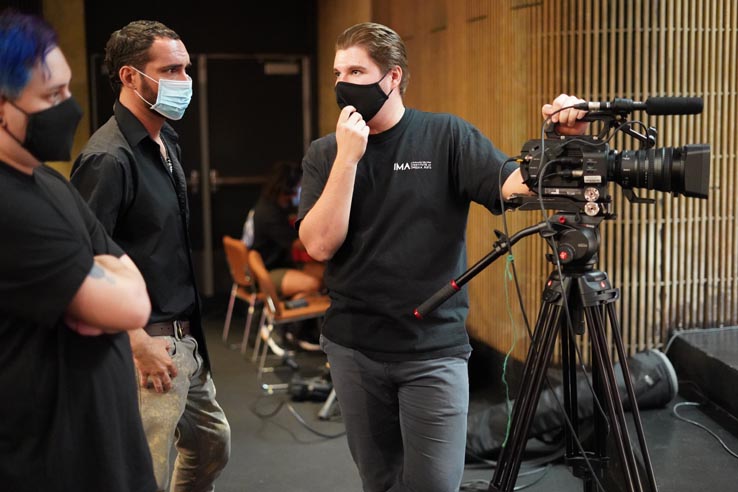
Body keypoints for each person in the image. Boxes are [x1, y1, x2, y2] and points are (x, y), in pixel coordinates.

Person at [297, 22, 587, 492]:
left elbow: (516, 187)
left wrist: (562, 142)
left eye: (355, 70)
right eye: (337, 72)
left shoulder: (445, 135)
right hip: (354, 349)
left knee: (435, 484)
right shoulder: (326, 153)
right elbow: (319, 245)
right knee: (381, 482)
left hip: (432, 352)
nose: (342, 84)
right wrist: (348, 159)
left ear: (392, 77)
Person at [70, 20, 230, 492]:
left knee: (211, 447)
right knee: (144, 474)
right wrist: (137, 343)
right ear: (129, 77)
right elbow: (83, 259)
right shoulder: (108, 158)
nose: (183, 81)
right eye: (171, 69)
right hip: (146, 346)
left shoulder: (166, 141)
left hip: (186, 340)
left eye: (186, 69)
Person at [0, 10, 156, 492]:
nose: (70, 107)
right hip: (52, 461)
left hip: (108, 449)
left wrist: (103, 274)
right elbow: (130, 302)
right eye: (51, 97)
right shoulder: (9, 207)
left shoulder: (46, 179)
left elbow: (122, 270)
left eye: (67, 89)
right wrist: (104, 276)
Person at [251, 160, 324, 298]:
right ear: (288, 187)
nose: (301, 190)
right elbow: (299, 244)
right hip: (268, 271)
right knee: (314, 284)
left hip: (281, 264)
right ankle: (296, 318)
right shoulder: (270, 215)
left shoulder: (271, 204)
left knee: (328, 275)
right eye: (299, 186)